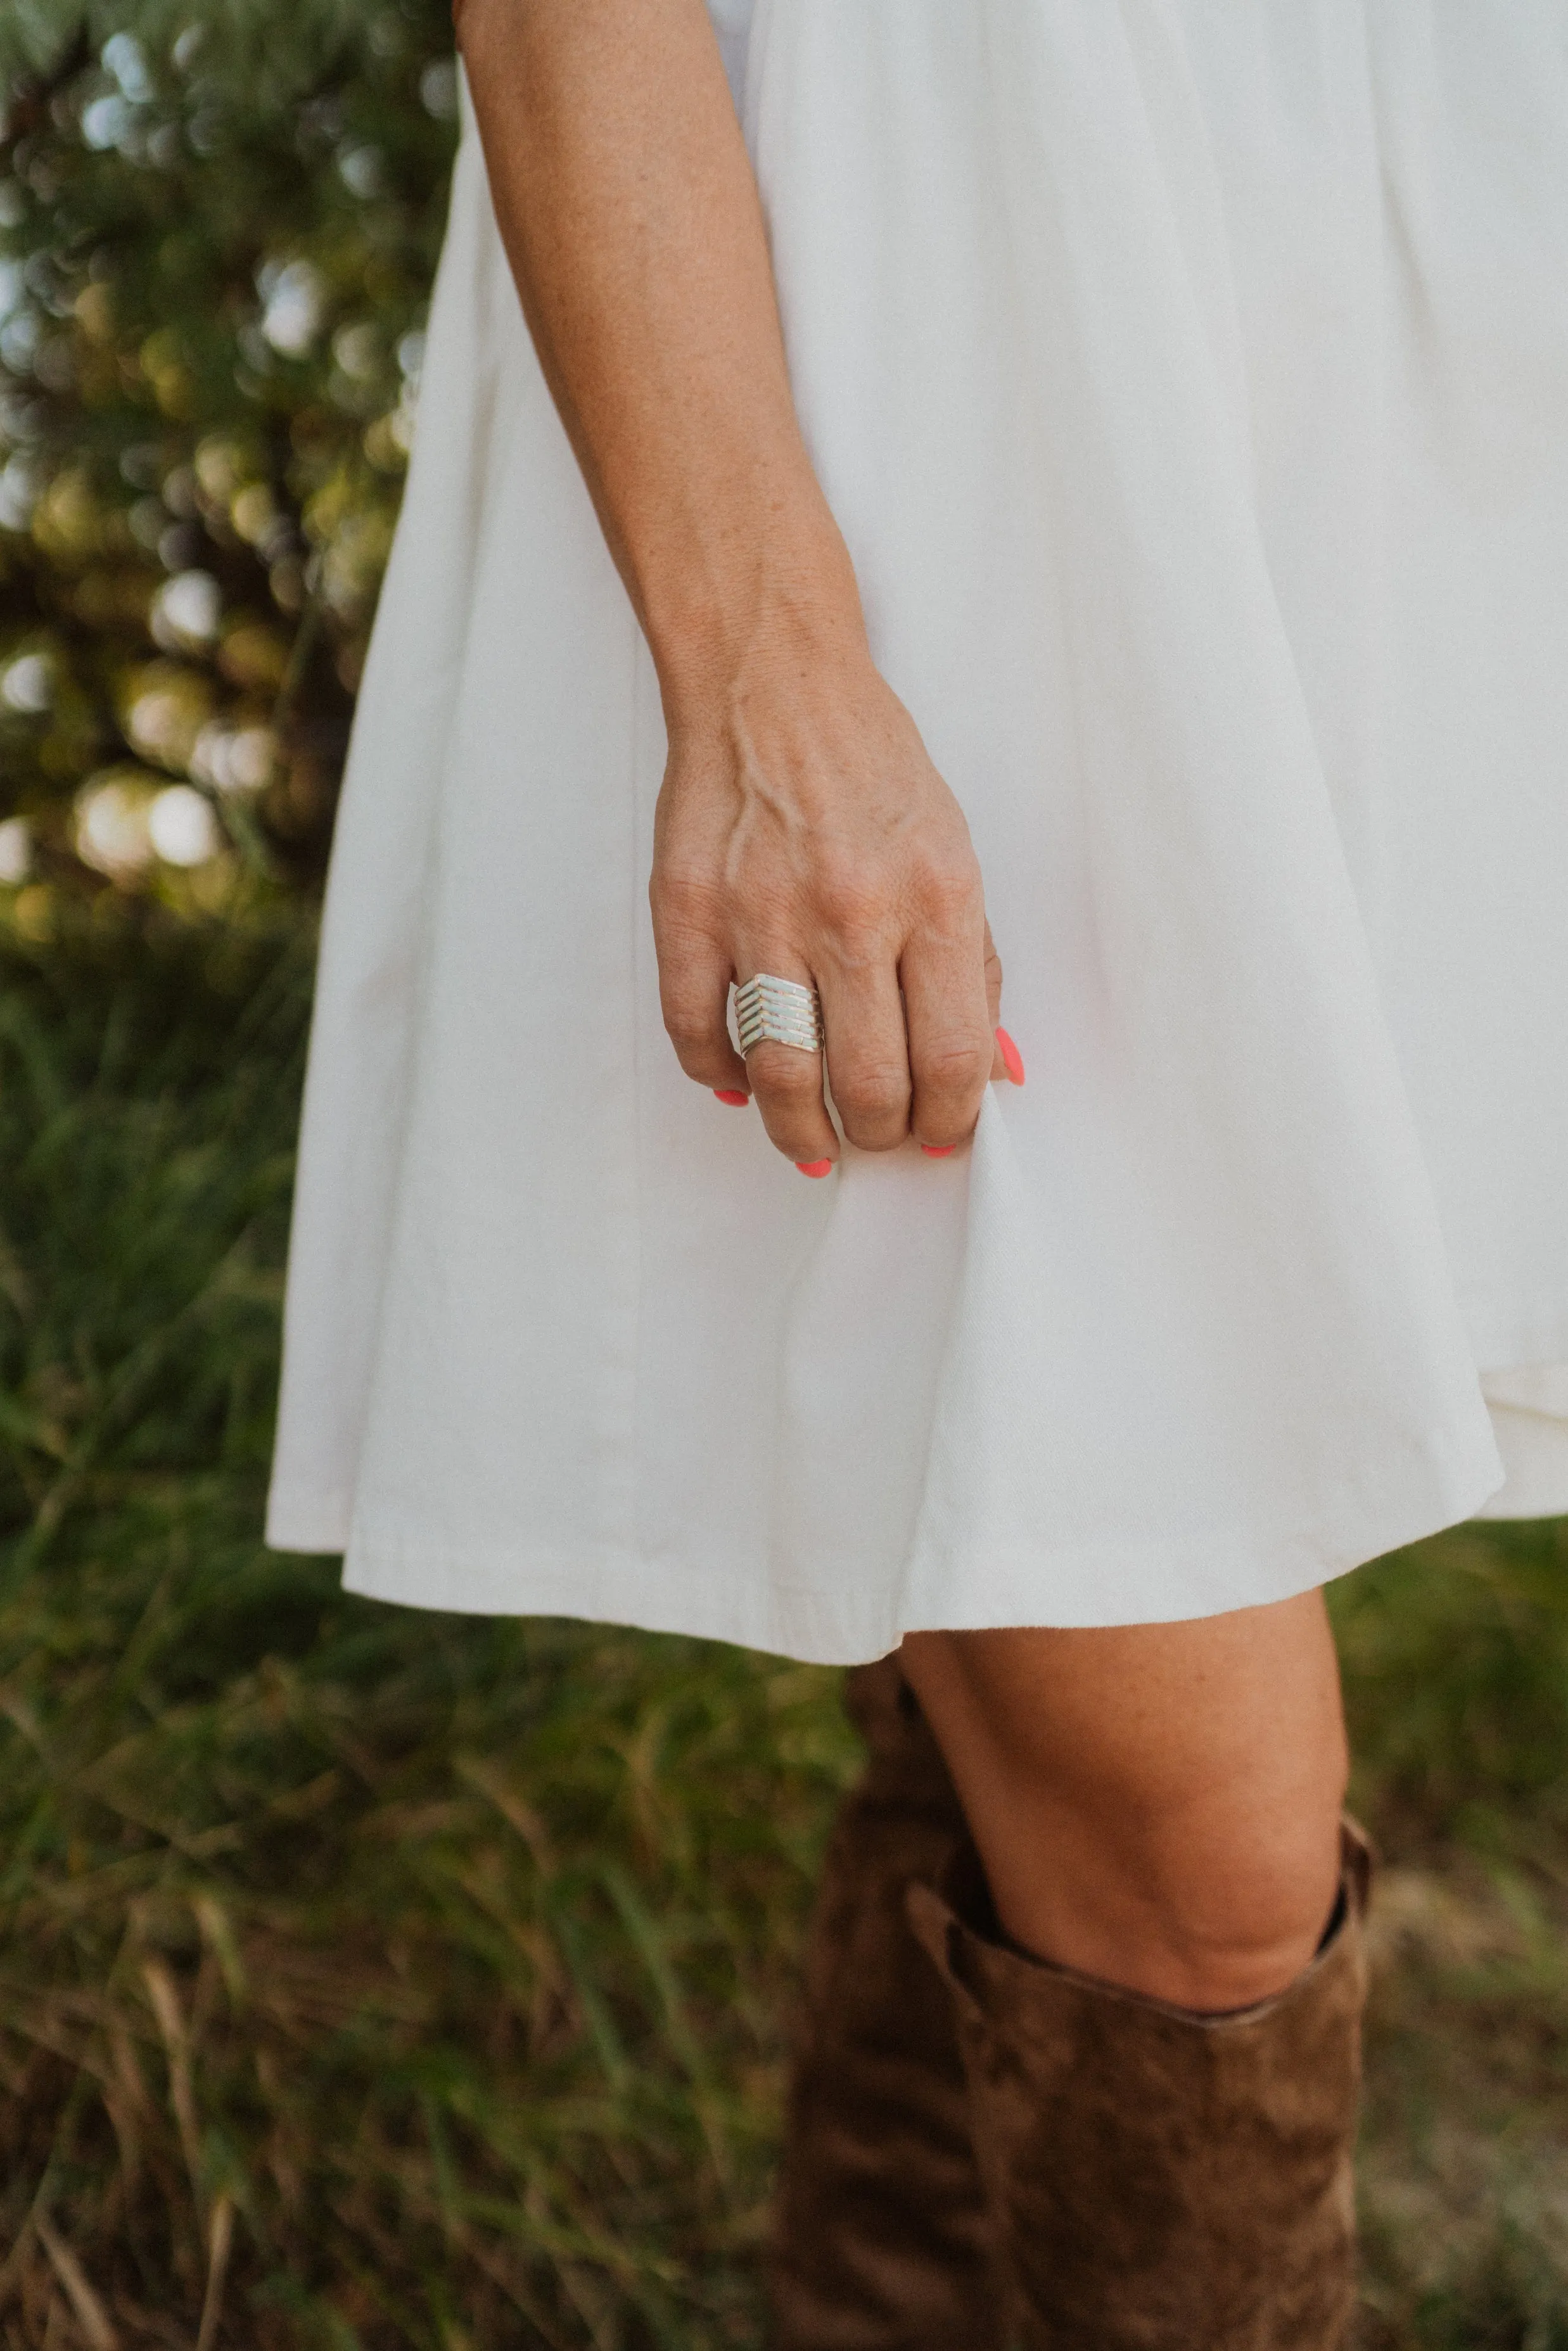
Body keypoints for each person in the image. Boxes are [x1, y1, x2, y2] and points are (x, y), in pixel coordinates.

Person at [266, 3, 1568, 2341]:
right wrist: (764, 672)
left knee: (996, 1697)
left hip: (1361, 355)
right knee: (1193, 1873)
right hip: (927, 347)